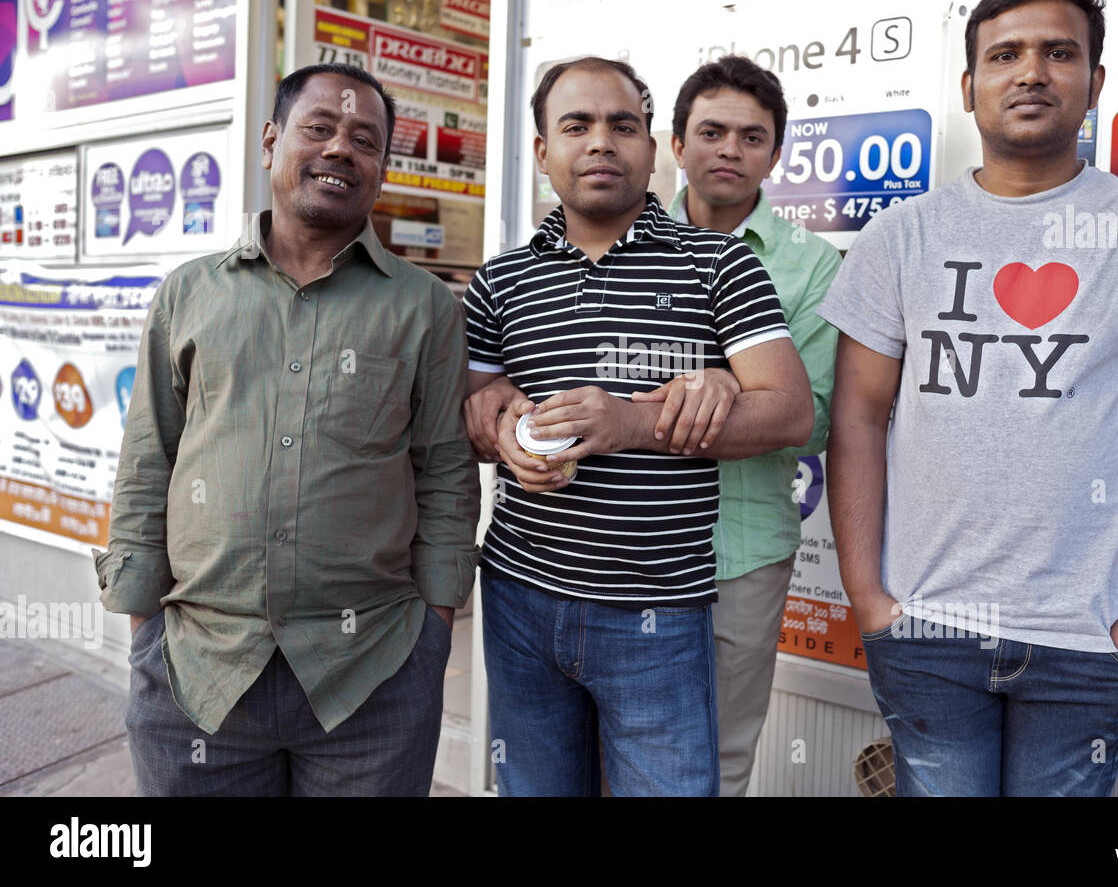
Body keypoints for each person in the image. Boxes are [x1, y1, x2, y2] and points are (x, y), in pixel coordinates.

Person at [819, 0, 1118, 796]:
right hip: (926, 626)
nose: (1030, 71)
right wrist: (871, 598)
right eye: (1005, 54)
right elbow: (859, 418)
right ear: (968, 85)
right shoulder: (900, 236)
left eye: (1058, 52)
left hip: (1088, 637)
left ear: (1094, 82)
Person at [93, 63, 480, 796]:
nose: (341, 148)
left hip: (372, 674)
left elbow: (446, 474)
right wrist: (145, 631)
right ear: (271, 141)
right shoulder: (191, 293)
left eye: (364, 140)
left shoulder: (424, 309)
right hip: (198, 672)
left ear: (381, 169)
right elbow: (149, 457)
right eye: (319, 128)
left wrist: (433, 632)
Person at [461, 56, 813, 796]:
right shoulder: (501, 279)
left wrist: (629, 421)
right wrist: (501, 434)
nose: (600, 142)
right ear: (541, 150)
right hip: (520, 596)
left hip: (660, 606)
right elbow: (474, 406)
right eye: (576, 125)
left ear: (654, 150)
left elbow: (788, 409)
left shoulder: (720, 264)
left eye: (623, 126)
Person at [666, 56, 841, 797]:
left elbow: (814, 417)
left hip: (739, 552)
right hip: (609, 549)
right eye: (711, 131)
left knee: (716, 762)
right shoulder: (622, 243)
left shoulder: (812, 265)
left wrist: (711, 394)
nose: (730, 149)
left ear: (776, 153)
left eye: (751, 136)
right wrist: (742, 394)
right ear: (677, 143)